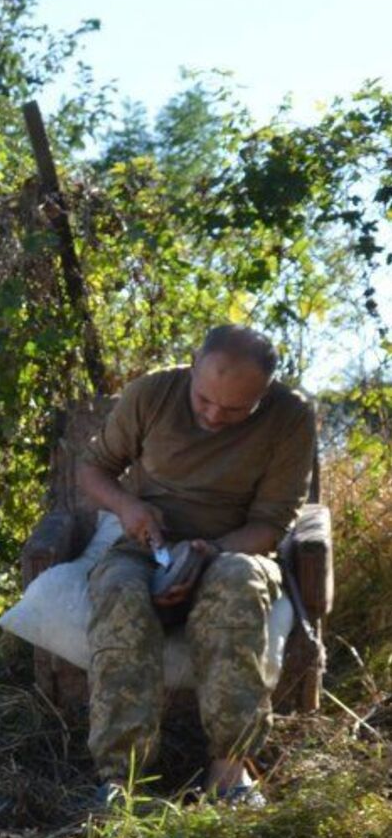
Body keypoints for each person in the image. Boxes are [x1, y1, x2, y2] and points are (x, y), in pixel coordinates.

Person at [75, 324, 315, 809]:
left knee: (239, 582)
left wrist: (205, 556)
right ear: (192, 366)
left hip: (234, 549)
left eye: (234, 410)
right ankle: (123, 779)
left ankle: (230, 771)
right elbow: (92, 469)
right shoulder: (152, 394)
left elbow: (270, 525)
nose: (212, 416)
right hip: (144, 546)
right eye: (204, 400)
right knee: (118, 589)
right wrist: (127, 507)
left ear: (264, 393)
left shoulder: (291, 419)